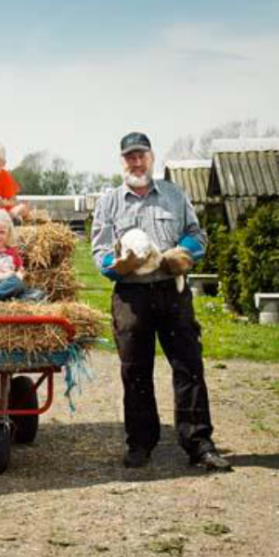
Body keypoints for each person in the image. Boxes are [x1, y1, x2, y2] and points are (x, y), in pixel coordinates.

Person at [90, 132, 231, 472]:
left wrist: (182, 254)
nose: (135, 162)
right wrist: (117, 266)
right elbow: (98, 252)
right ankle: (140, 444)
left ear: (152, 157)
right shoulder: (109, 202)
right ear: (121, 161)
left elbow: (198, 235)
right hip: (131, 297)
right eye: (129, 157)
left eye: (141, 155)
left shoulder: (174, 195)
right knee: (135, 371)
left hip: (172, 290)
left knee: (188, 367)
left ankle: (199, 444)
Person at [0, 209, 45, 302]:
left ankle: (12, 300)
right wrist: (3, 277)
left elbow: (20, 271)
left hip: (13, 286)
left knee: (38, 293)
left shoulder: (12, 252)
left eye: (2, 232)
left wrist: (20, 275)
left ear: (8, 233)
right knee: (14, 283)